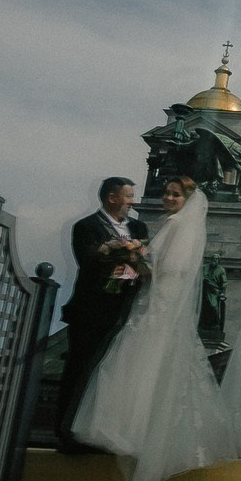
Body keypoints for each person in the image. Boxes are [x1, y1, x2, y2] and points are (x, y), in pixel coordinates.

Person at [73, 178, 237, 481]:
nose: (168, 198)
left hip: (160, 303)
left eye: (175, 194)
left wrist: (133, 263)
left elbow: (170, 268)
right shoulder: (169, 224)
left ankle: (135, 434)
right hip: (152, 300)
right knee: (141, 364)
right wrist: (129, 266)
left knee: (144, 363)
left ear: (187, 199)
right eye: (166, 193)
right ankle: (134, 433)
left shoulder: (178, 226)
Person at [55, 176, 148, 451]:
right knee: (81, 369)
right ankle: (68, 432)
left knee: (113, 373)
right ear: (111, 198)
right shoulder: (86, 227)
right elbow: (88, 260)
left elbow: (144, 261)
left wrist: (136, 265)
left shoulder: (139, 227)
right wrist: (114, 254)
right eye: (128, 196)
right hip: (92, 310)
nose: (132, 202)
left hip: (126, 310)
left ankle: (101, 432)